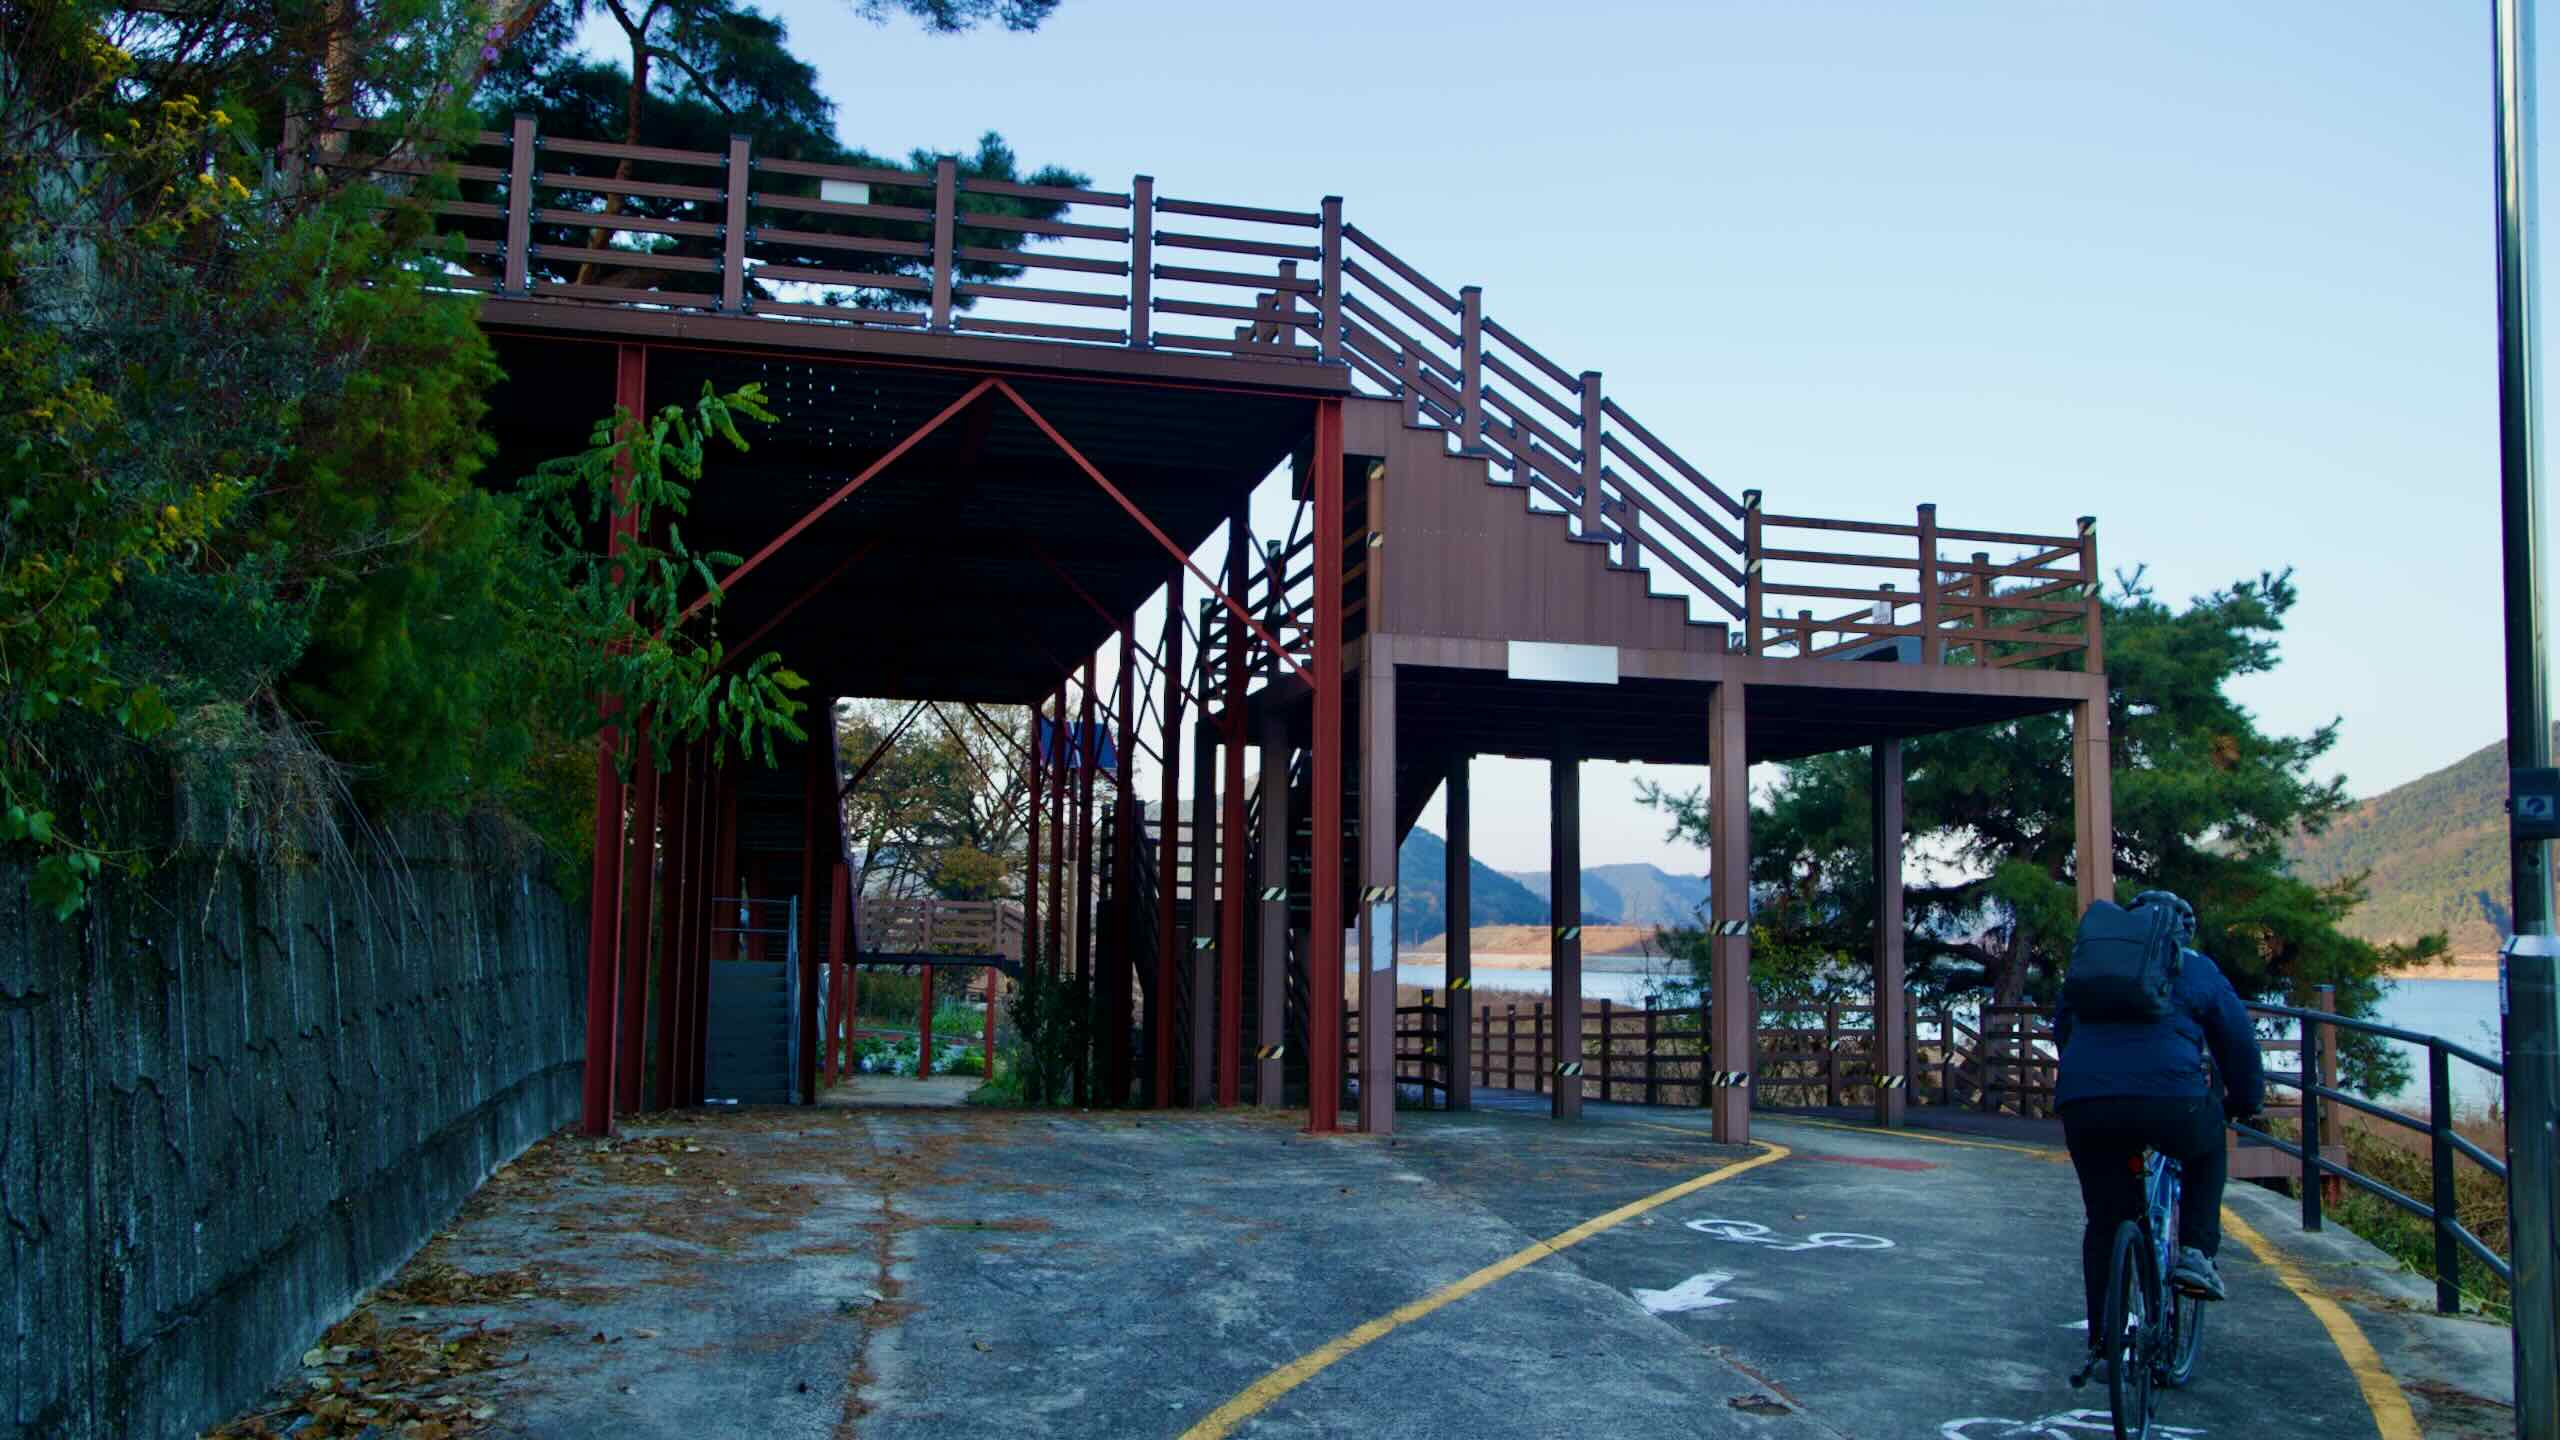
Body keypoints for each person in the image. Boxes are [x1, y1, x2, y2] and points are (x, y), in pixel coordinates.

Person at [2054, 889, 2264, 1344]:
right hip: (2173, 1103)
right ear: (2183, 932)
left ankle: (2106, 1339)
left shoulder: (2093, 968)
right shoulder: (2197, 968)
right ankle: (2195, 1253)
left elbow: (2063, 1030)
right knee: (2207, 1150)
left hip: (2086, 1104)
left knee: (2106, 1222)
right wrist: (2247, 1099)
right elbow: (2238, 1043)